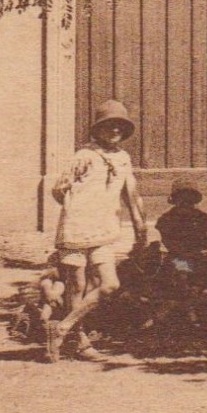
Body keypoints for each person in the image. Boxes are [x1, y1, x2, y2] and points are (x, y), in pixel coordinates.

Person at [45, 100, 149, 362]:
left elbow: (132, 196)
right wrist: (77, 210)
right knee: (77, 285)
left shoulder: (123, 159)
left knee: (109, 284)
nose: (114, 131)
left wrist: (140, 229)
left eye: (119, 127)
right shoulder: (84, 157)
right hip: (76, 231)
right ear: (98, 129)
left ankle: (62, 328)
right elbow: (59, 189)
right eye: (109, 126)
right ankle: (80, 343)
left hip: (104, 230)